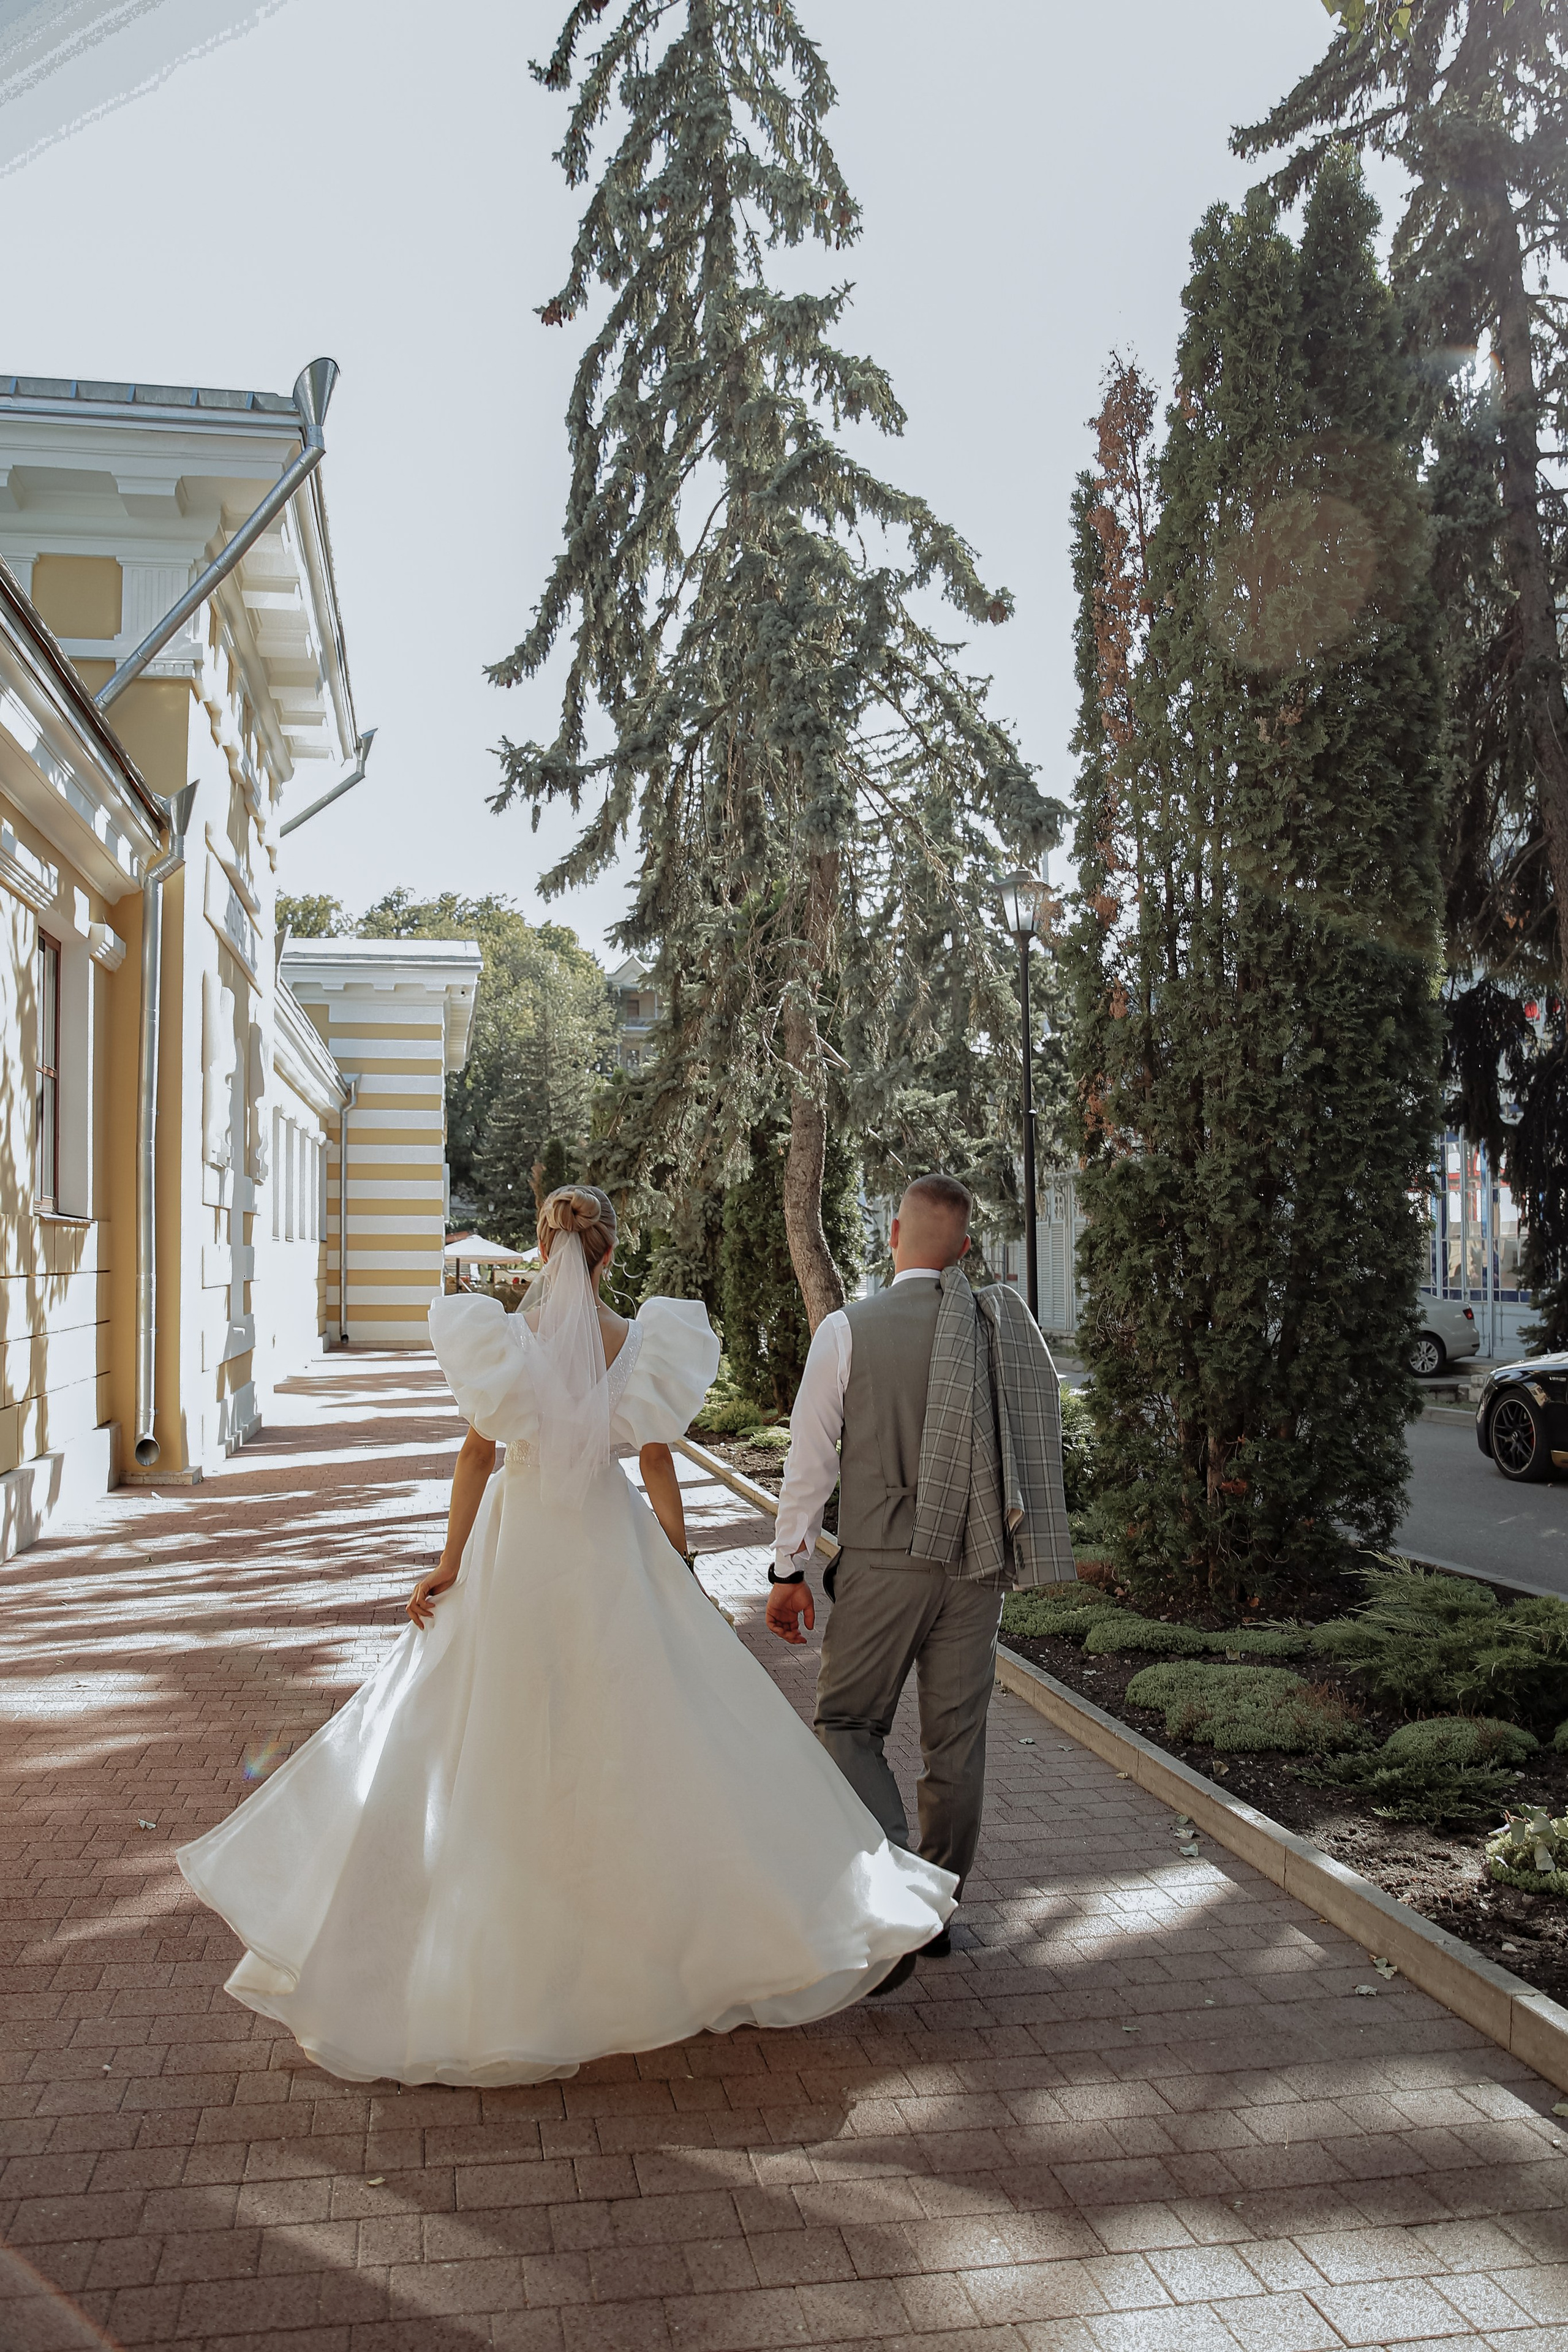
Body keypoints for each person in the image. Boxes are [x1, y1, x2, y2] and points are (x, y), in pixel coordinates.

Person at [178, 1185, 954, 2087]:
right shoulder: (643, 1340)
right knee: (640, 1728)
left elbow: (477, 1454)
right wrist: (677, 1556)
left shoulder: (503, 1344)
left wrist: (447, 1562)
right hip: (605, 1539)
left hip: (519, 1545)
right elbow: (657, 1455)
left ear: (543, 1249)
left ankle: (507, 1946)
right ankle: (675, 1935)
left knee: (500, 1732)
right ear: (610, 1256)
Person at [767, 1172, 1074, 1975]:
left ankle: (897, 1893)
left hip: (882, 1561)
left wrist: (787, 1567)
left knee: (847, 1725)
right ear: (966, 1250)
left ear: (894, 1234)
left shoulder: (848, 1329)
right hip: (977, 1566)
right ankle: (937, 1907)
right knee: (956, 1747)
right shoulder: (998, 1327)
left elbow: (811, 1461)